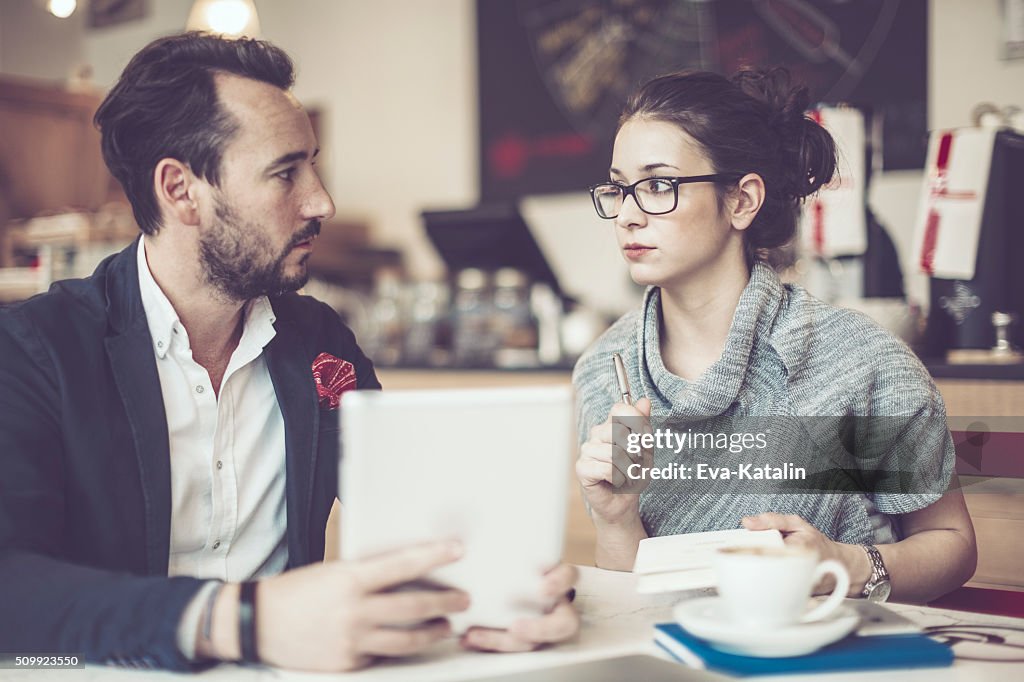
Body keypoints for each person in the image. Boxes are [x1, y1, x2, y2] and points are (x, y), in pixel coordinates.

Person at [0, 32, 578, 672]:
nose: (321, 201)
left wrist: (514, 588)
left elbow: (412, 515)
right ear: (180, 189)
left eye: (313, 166)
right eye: (285, 173)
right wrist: (243, 623)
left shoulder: (320, 342)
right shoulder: (34, 350)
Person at [573, 68, 977, 603]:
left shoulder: (861, 363)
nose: (626, 215)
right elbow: (635, 602)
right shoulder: (604, 370)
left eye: (657, 185)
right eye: (620, 188)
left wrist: (844, 563)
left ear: (741, 200)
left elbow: (953, 545)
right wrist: (617, 520)